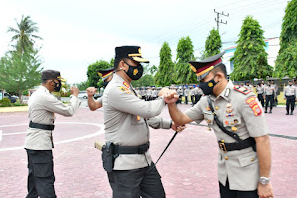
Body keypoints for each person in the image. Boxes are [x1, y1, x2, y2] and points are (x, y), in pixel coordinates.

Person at [164, 52, 273, 198]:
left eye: (204, 79)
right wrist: (171, 104)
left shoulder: (244, 99)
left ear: (219, 77)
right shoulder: (206, 101)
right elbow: (181, 119)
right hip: (225, 172)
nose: (200, 84)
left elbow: (263, 140)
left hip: (248, 174)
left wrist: (264, 181)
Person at [102, 46, 184, 198]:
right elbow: (148, 110)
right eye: (135, 63)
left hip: (144, 161)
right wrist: (163, 98)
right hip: (125, 165)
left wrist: (170, 124)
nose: (138, 68)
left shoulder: (128, 88)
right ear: (122, 65)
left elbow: (144, 116)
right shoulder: (115, 89)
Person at [24, 70, 81, 198]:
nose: (59, 84)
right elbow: (69, 111)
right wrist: (75, 96)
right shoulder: (44, 97)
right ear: (51, 82)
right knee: (45, 180)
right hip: (40, 145)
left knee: (34, 182)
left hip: (34, 143)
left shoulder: (38, 94)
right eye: (58, 82)